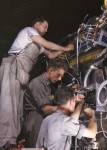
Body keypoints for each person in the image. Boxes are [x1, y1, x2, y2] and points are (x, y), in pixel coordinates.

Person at [0, 17, 74, 148]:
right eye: (45, 27)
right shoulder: (29, 31)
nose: (46, 30)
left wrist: (63, 51)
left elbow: (51, 55)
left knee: (17, 108)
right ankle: (5, 142)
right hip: (13, 65)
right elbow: (48, 45)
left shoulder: (38, 46)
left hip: (22, 72)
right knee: (8, 105)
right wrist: (66, 48)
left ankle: (12, 141)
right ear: (36, 25)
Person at [23, 58, 68, 148]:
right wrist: (66, 107)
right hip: (35, 121)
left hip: (40, 120)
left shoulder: (47, 85)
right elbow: (46, 109)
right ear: (50, 70)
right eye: (58, 75)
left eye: (61, 76)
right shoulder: (37, 83)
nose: (59, 79)